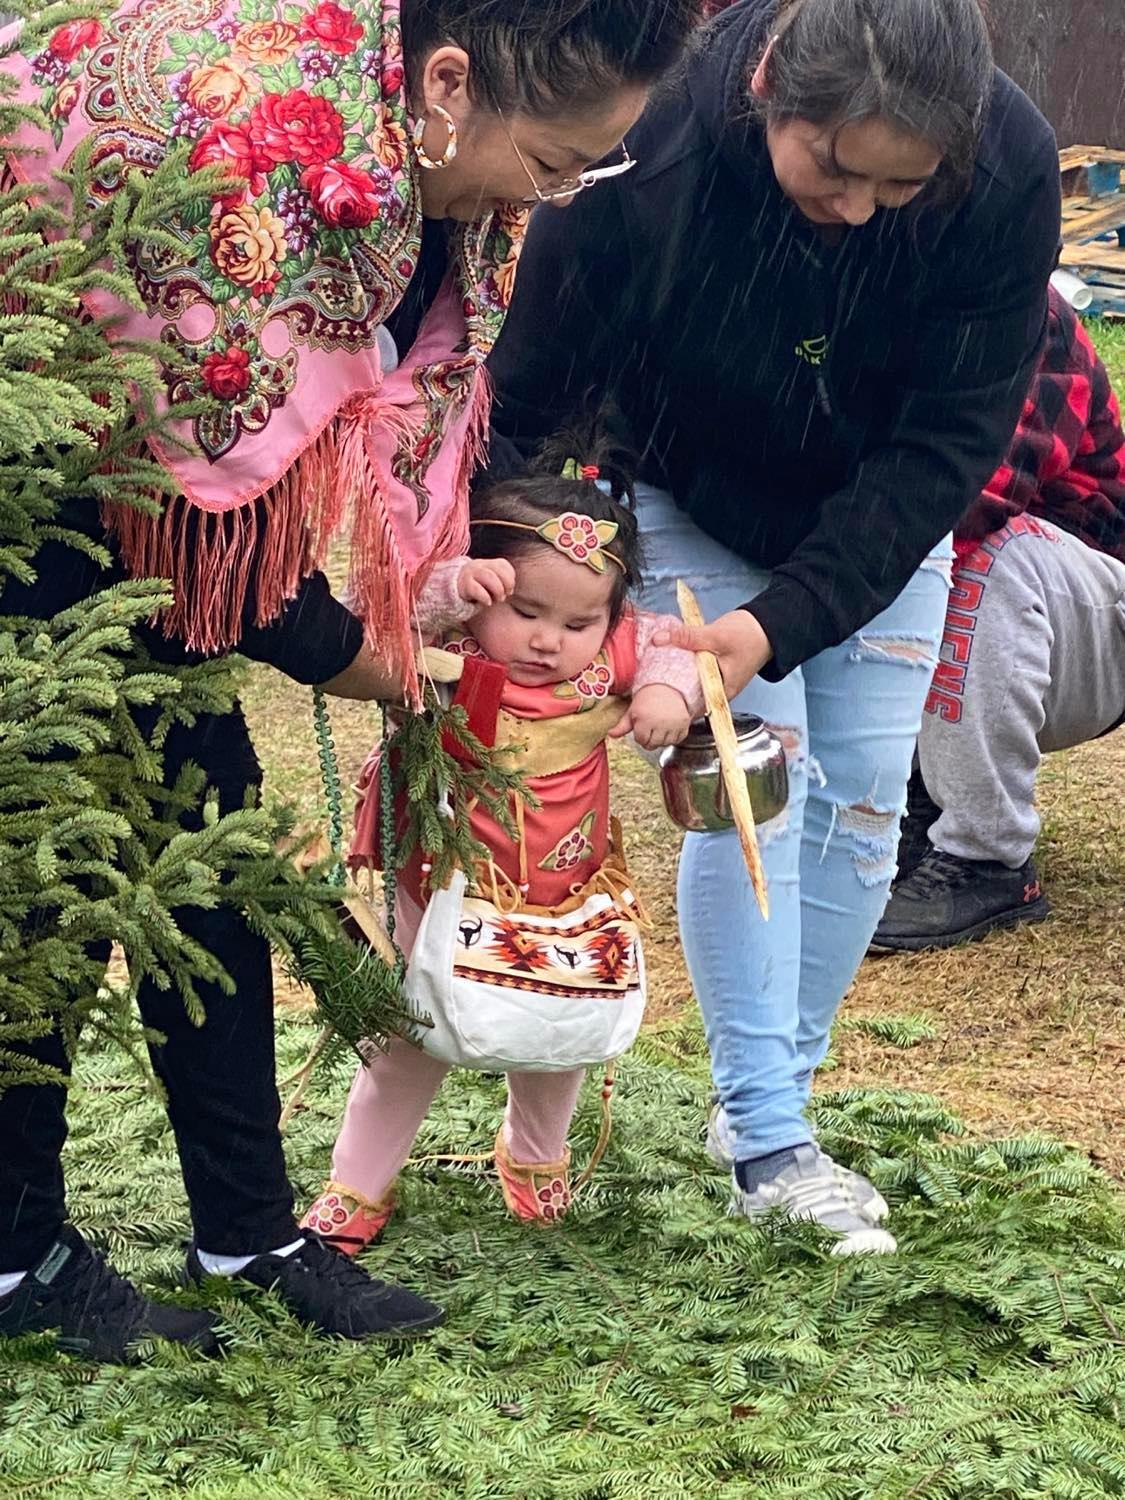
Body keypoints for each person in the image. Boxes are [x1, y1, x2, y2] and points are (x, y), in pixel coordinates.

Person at [0, 0, 697, 1363]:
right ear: (449, 84)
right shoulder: (248, 160)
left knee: (210, 865)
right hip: (43, 486)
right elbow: (193, 519)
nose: (553, 197)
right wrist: (368, 658)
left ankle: (248, 1235)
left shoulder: (426, 181)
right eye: (557, 160)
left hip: (140, 494)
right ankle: (18, 1258)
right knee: (47, 885)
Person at [486, 0, 1061, 1254]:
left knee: (865, 809)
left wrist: (786, 618)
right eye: (837, 170)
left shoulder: (1010, 172)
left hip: (877, 511)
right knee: (754, 783)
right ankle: (768, 1137)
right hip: (690, 484)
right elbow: (529, 383)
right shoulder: (654, 139)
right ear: (766, 88)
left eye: (901, 187)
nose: (861, 210)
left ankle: (773, 1097)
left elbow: (949, 440)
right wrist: (509, 566)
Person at [300, 440, 703, 1252]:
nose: (549, 640)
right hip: (442, 873)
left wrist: (668, 691)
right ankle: (358, 1183)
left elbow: (675, 642)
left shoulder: (617, 652)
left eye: (579, 623)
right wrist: (447, 585)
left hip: (565, 883)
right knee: (410, 1033)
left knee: (558, 1023)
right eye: (526, 611)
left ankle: (535, 1156)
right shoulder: (453, 639)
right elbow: (368, 612)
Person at [873, 286, 1125, 950]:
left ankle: (987, 855)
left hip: (1093, 623)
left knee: (972, 546)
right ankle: (916, 802)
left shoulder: (1025, 315)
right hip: (994, 614)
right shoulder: (859, 306)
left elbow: (977, 495)